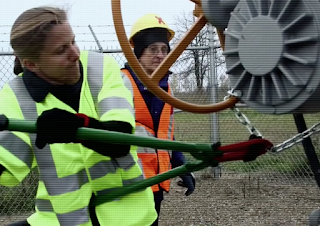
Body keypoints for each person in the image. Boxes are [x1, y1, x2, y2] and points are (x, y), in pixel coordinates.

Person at [0, 6, 157, 226]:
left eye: (73, 41)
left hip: (130, 218)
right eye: (61, 50)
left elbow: (120, 140)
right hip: (60, 220)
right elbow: (8, 166)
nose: (75, 53)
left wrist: (76, 126)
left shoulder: (101, 68)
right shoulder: (15, 96)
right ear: (31, 64)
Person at [121, 13, 196, 226]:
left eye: (164, 50)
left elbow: (166, 133)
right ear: (137, 51)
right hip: (128, 184)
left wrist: (181, 165)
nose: (159, 55)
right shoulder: (121, 84)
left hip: (155, 183)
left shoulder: (166, 89)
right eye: (152, 49)